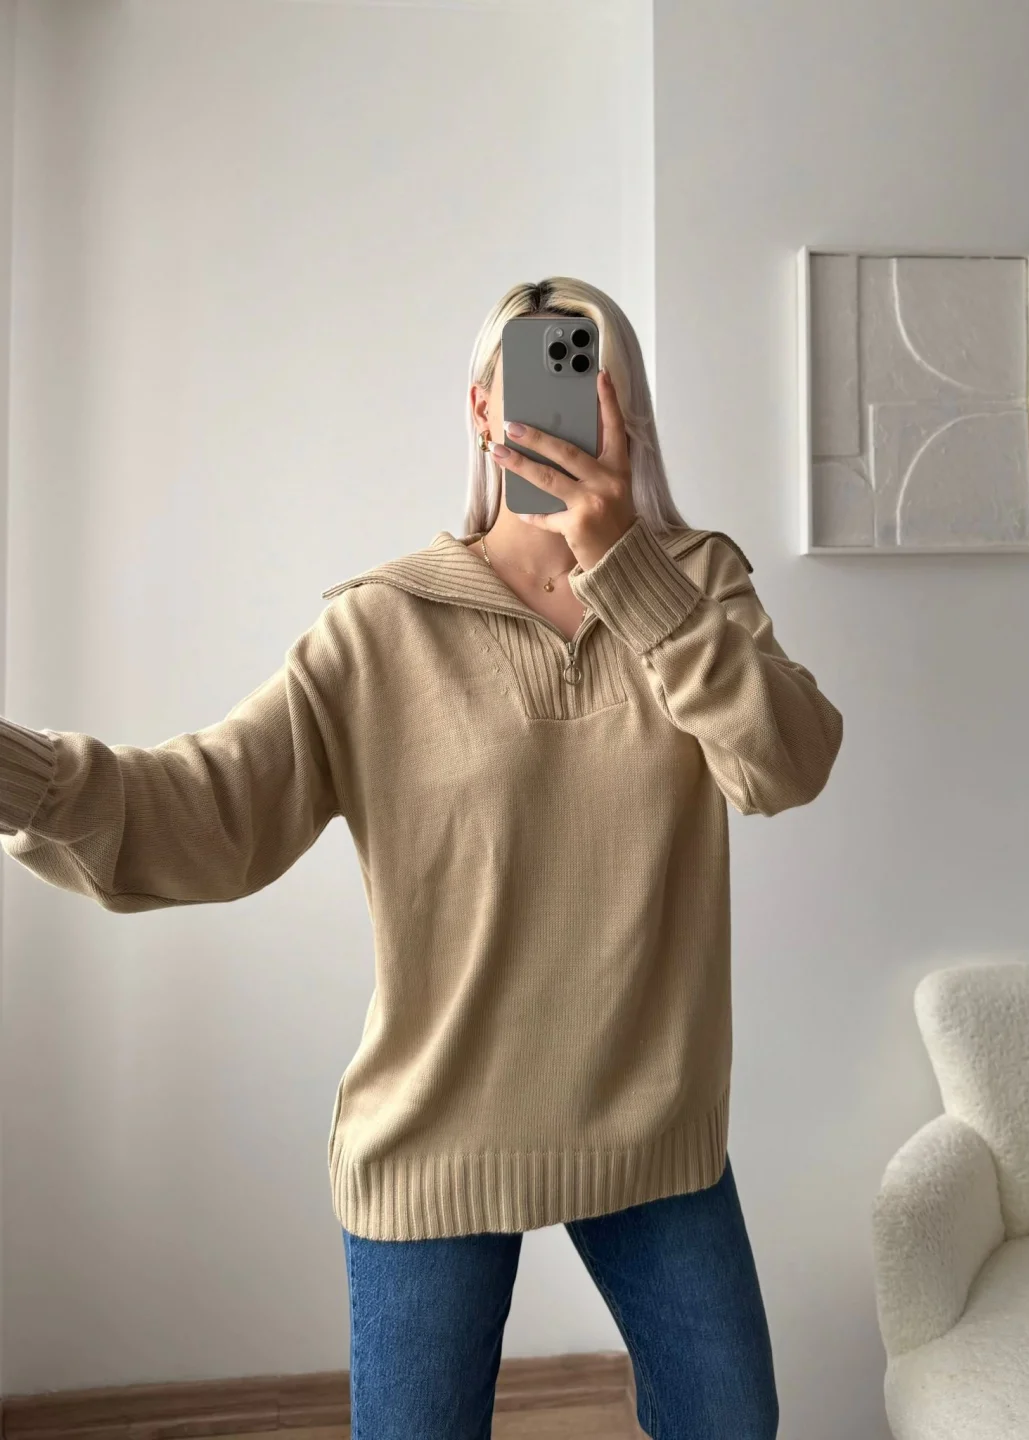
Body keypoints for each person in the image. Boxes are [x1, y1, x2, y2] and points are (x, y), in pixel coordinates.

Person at [0, 276, 843, 1440]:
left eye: (589, 371)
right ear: (481, 409)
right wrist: (25, 774)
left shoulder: (695, 583)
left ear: (629, 406)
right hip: (437, 1134)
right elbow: (209, 811)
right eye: (531, 376)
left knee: (733, 1422)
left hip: (654, 1126)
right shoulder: (381, 625)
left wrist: (627, 569)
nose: (564, 402)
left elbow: (785, 765)